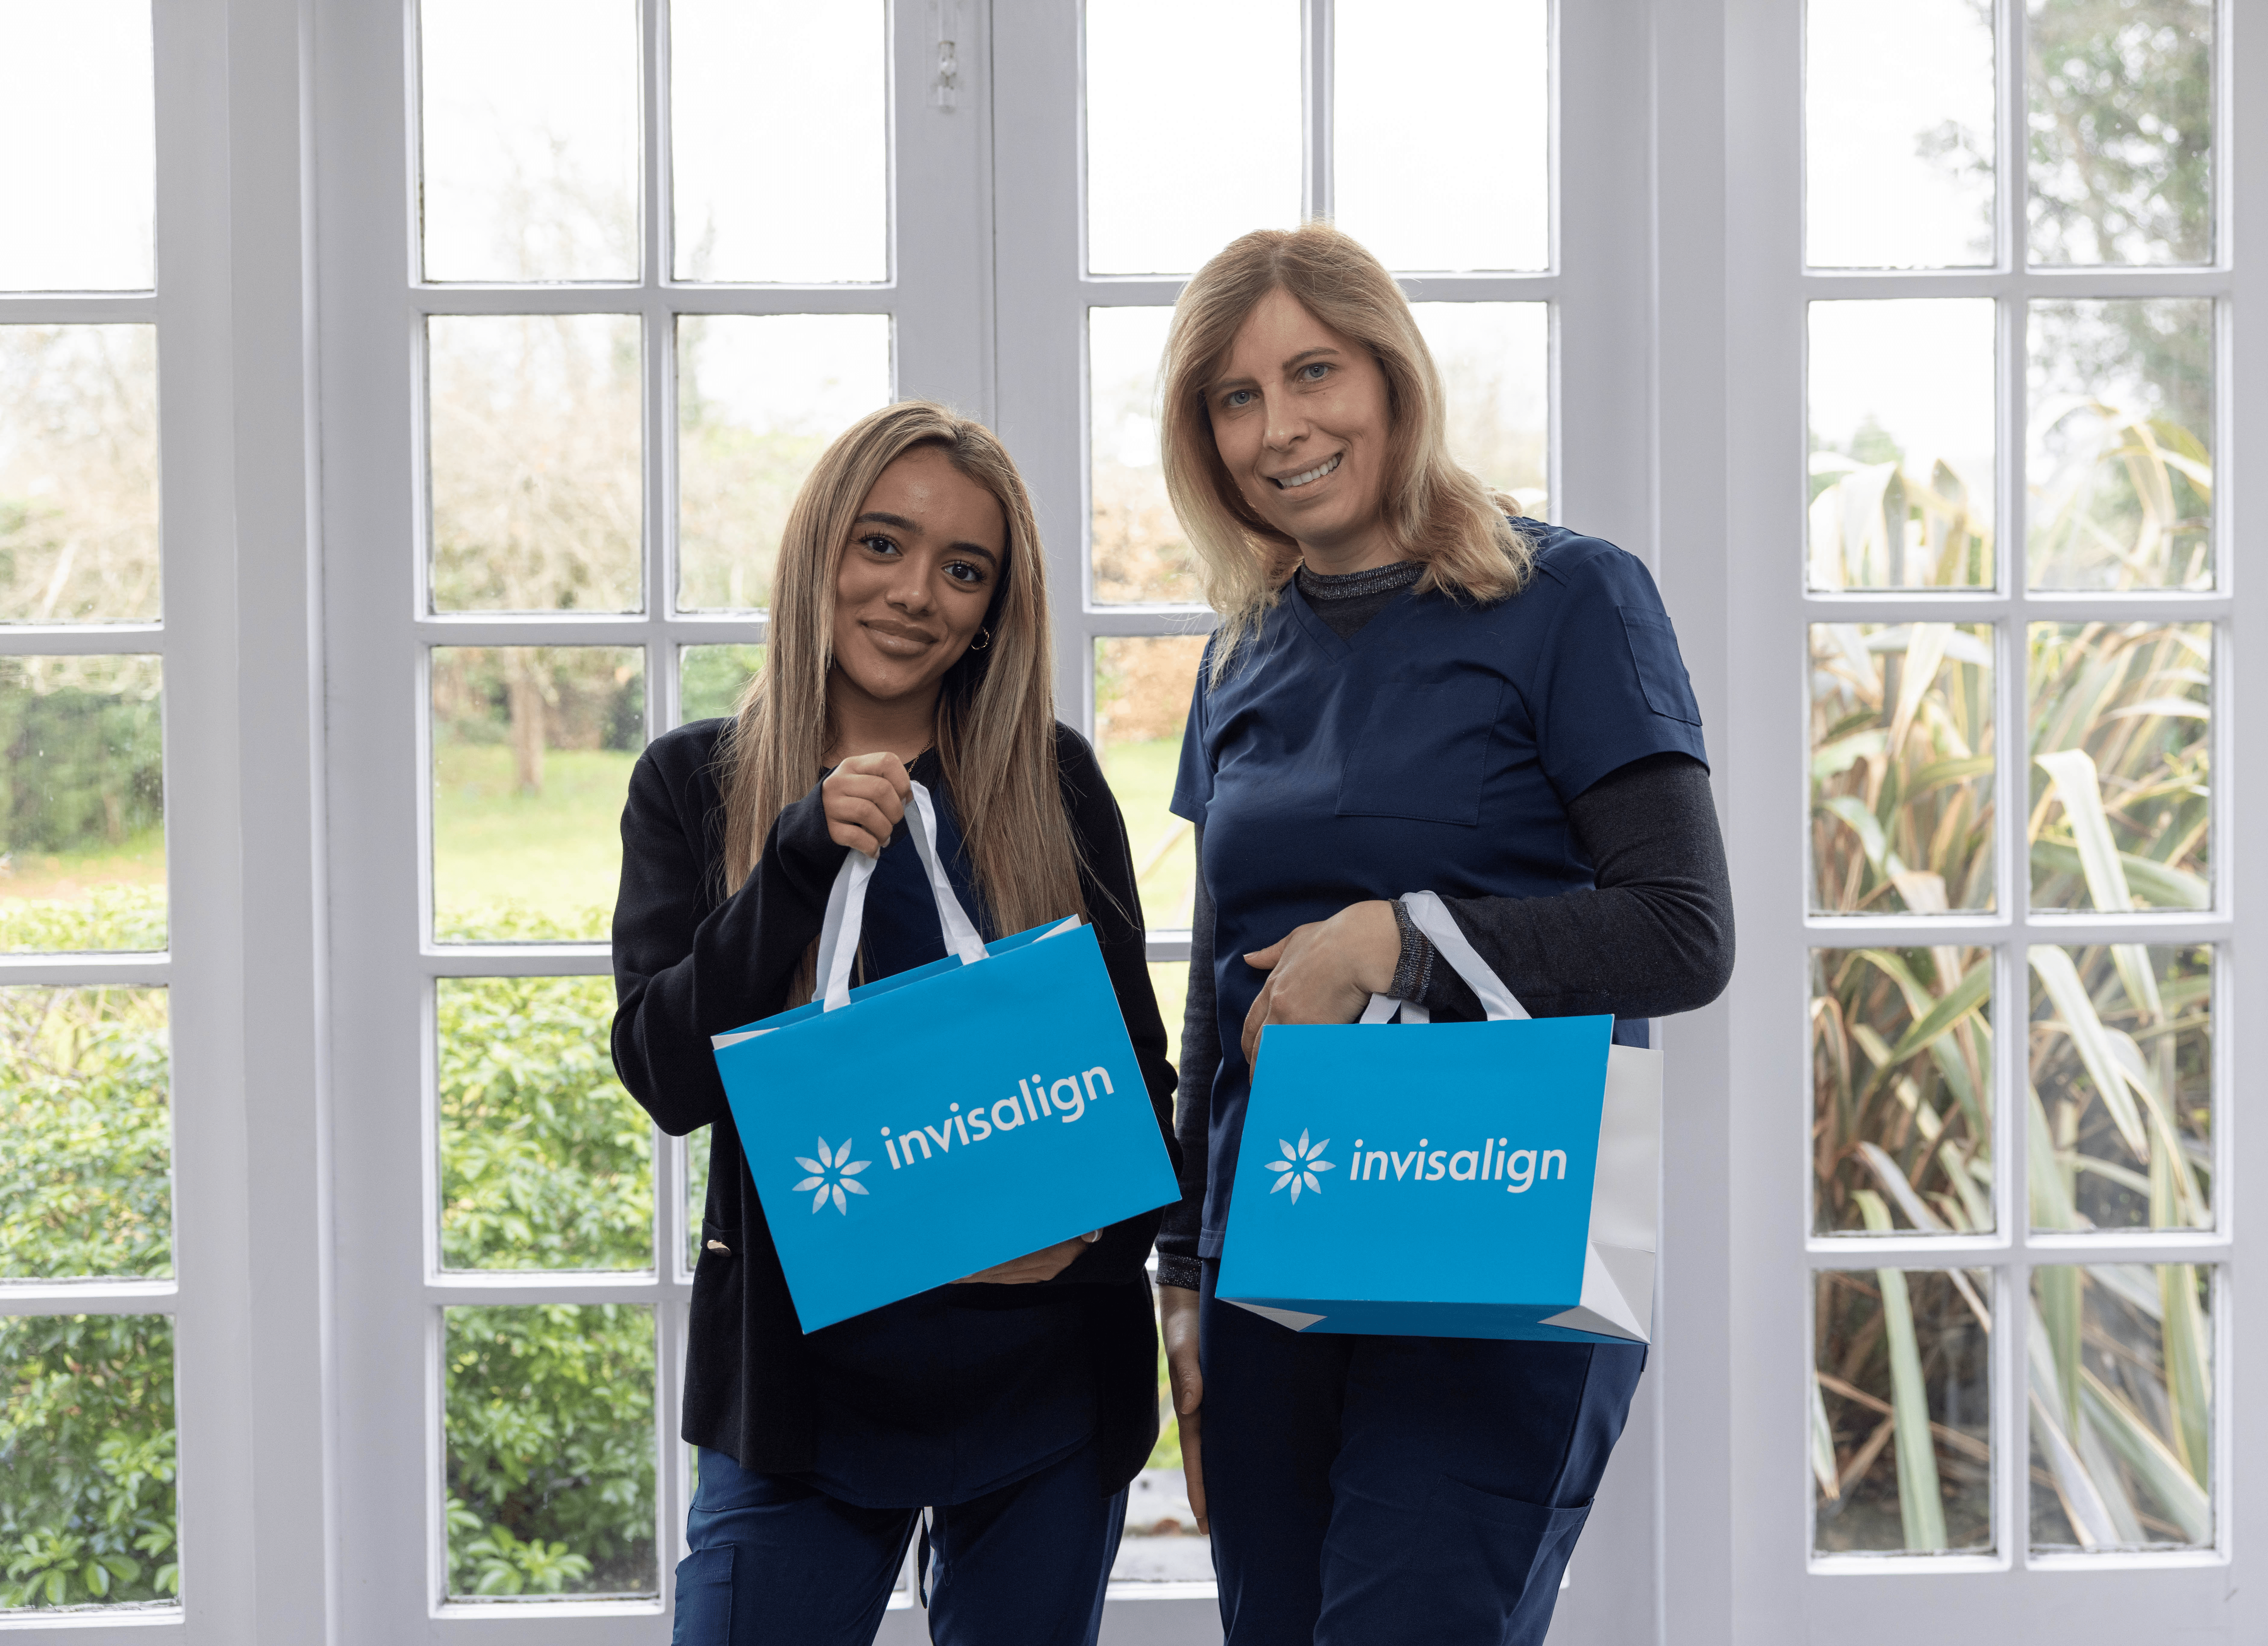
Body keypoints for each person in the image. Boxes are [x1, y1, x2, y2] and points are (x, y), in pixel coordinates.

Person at [1153, 224, 1735, 1644]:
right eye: (1235, 398)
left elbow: (1682, 930)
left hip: (1495, 1235)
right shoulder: (1240, 652)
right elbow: (1217, 987)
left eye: (1313, 373)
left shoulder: (1569, 596)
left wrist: (1398, 942)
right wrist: (1182, 1270)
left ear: (1392, 376)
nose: (1279, 428)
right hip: (1272, 1255)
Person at [611, 400, 1177, 1646]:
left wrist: (1079, 1247)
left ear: (993, 611)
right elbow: (666, 1078)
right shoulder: (693, 781)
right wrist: (795, 862)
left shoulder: (1055, 782)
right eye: (882, 544)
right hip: (799, 1399)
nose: (916, 593)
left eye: (963, 570)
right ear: (821, 548)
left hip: (1043, 1387)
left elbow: (1143, 1090)